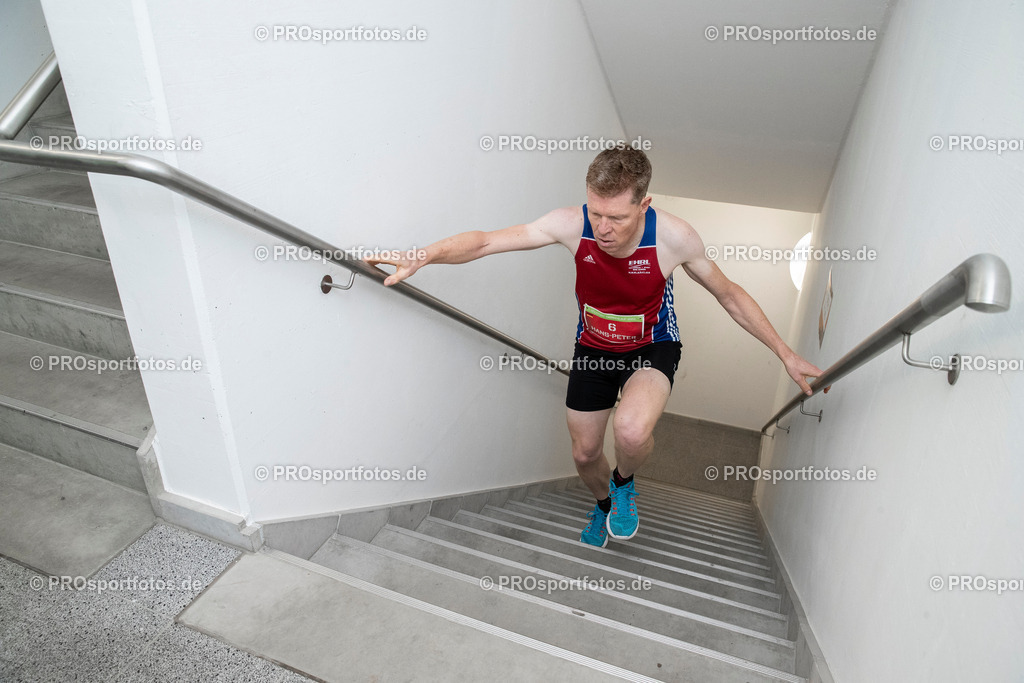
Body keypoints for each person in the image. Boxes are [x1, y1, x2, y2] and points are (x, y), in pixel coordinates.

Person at [365, 146, 822, 548]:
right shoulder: (570, 224)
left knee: (629, 431)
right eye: (596, 213)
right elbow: (485, 242)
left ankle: (624, 485)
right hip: (594, 346)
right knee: (584, 455)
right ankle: (603, 504)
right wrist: (421, 255)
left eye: (617, 218)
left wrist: (783, 351)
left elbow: (729, 294)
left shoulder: (674, 238)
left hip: (652, 345)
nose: (602, 228)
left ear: (645, 205)